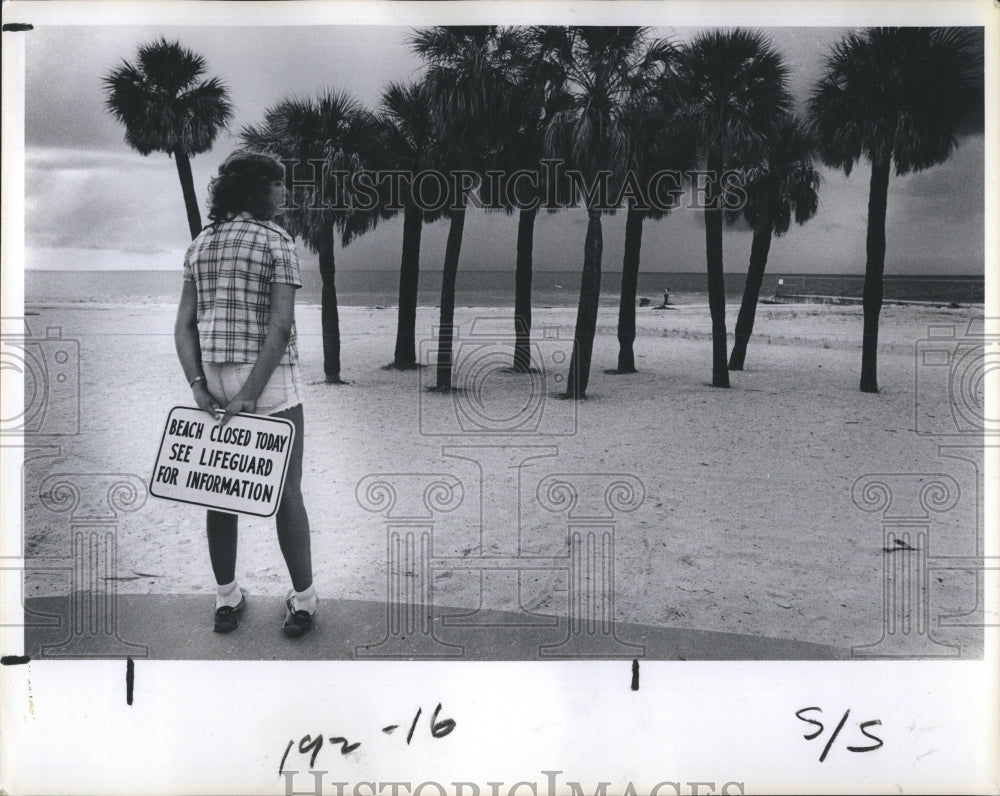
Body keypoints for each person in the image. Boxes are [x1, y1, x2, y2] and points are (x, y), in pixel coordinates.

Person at [174, 151, 318, 638]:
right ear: (259, 189)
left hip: (214, 383)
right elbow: (280, 329)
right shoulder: (277, 240)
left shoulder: (201, 243)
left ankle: (227, 599)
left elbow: (184, 326)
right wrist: (252, 396)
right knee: (287, 494)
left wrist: (197, 385)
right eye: (279, 185)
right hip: (268, 384)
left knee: (219, 495)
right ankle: (302, 603)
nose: (285, 194)